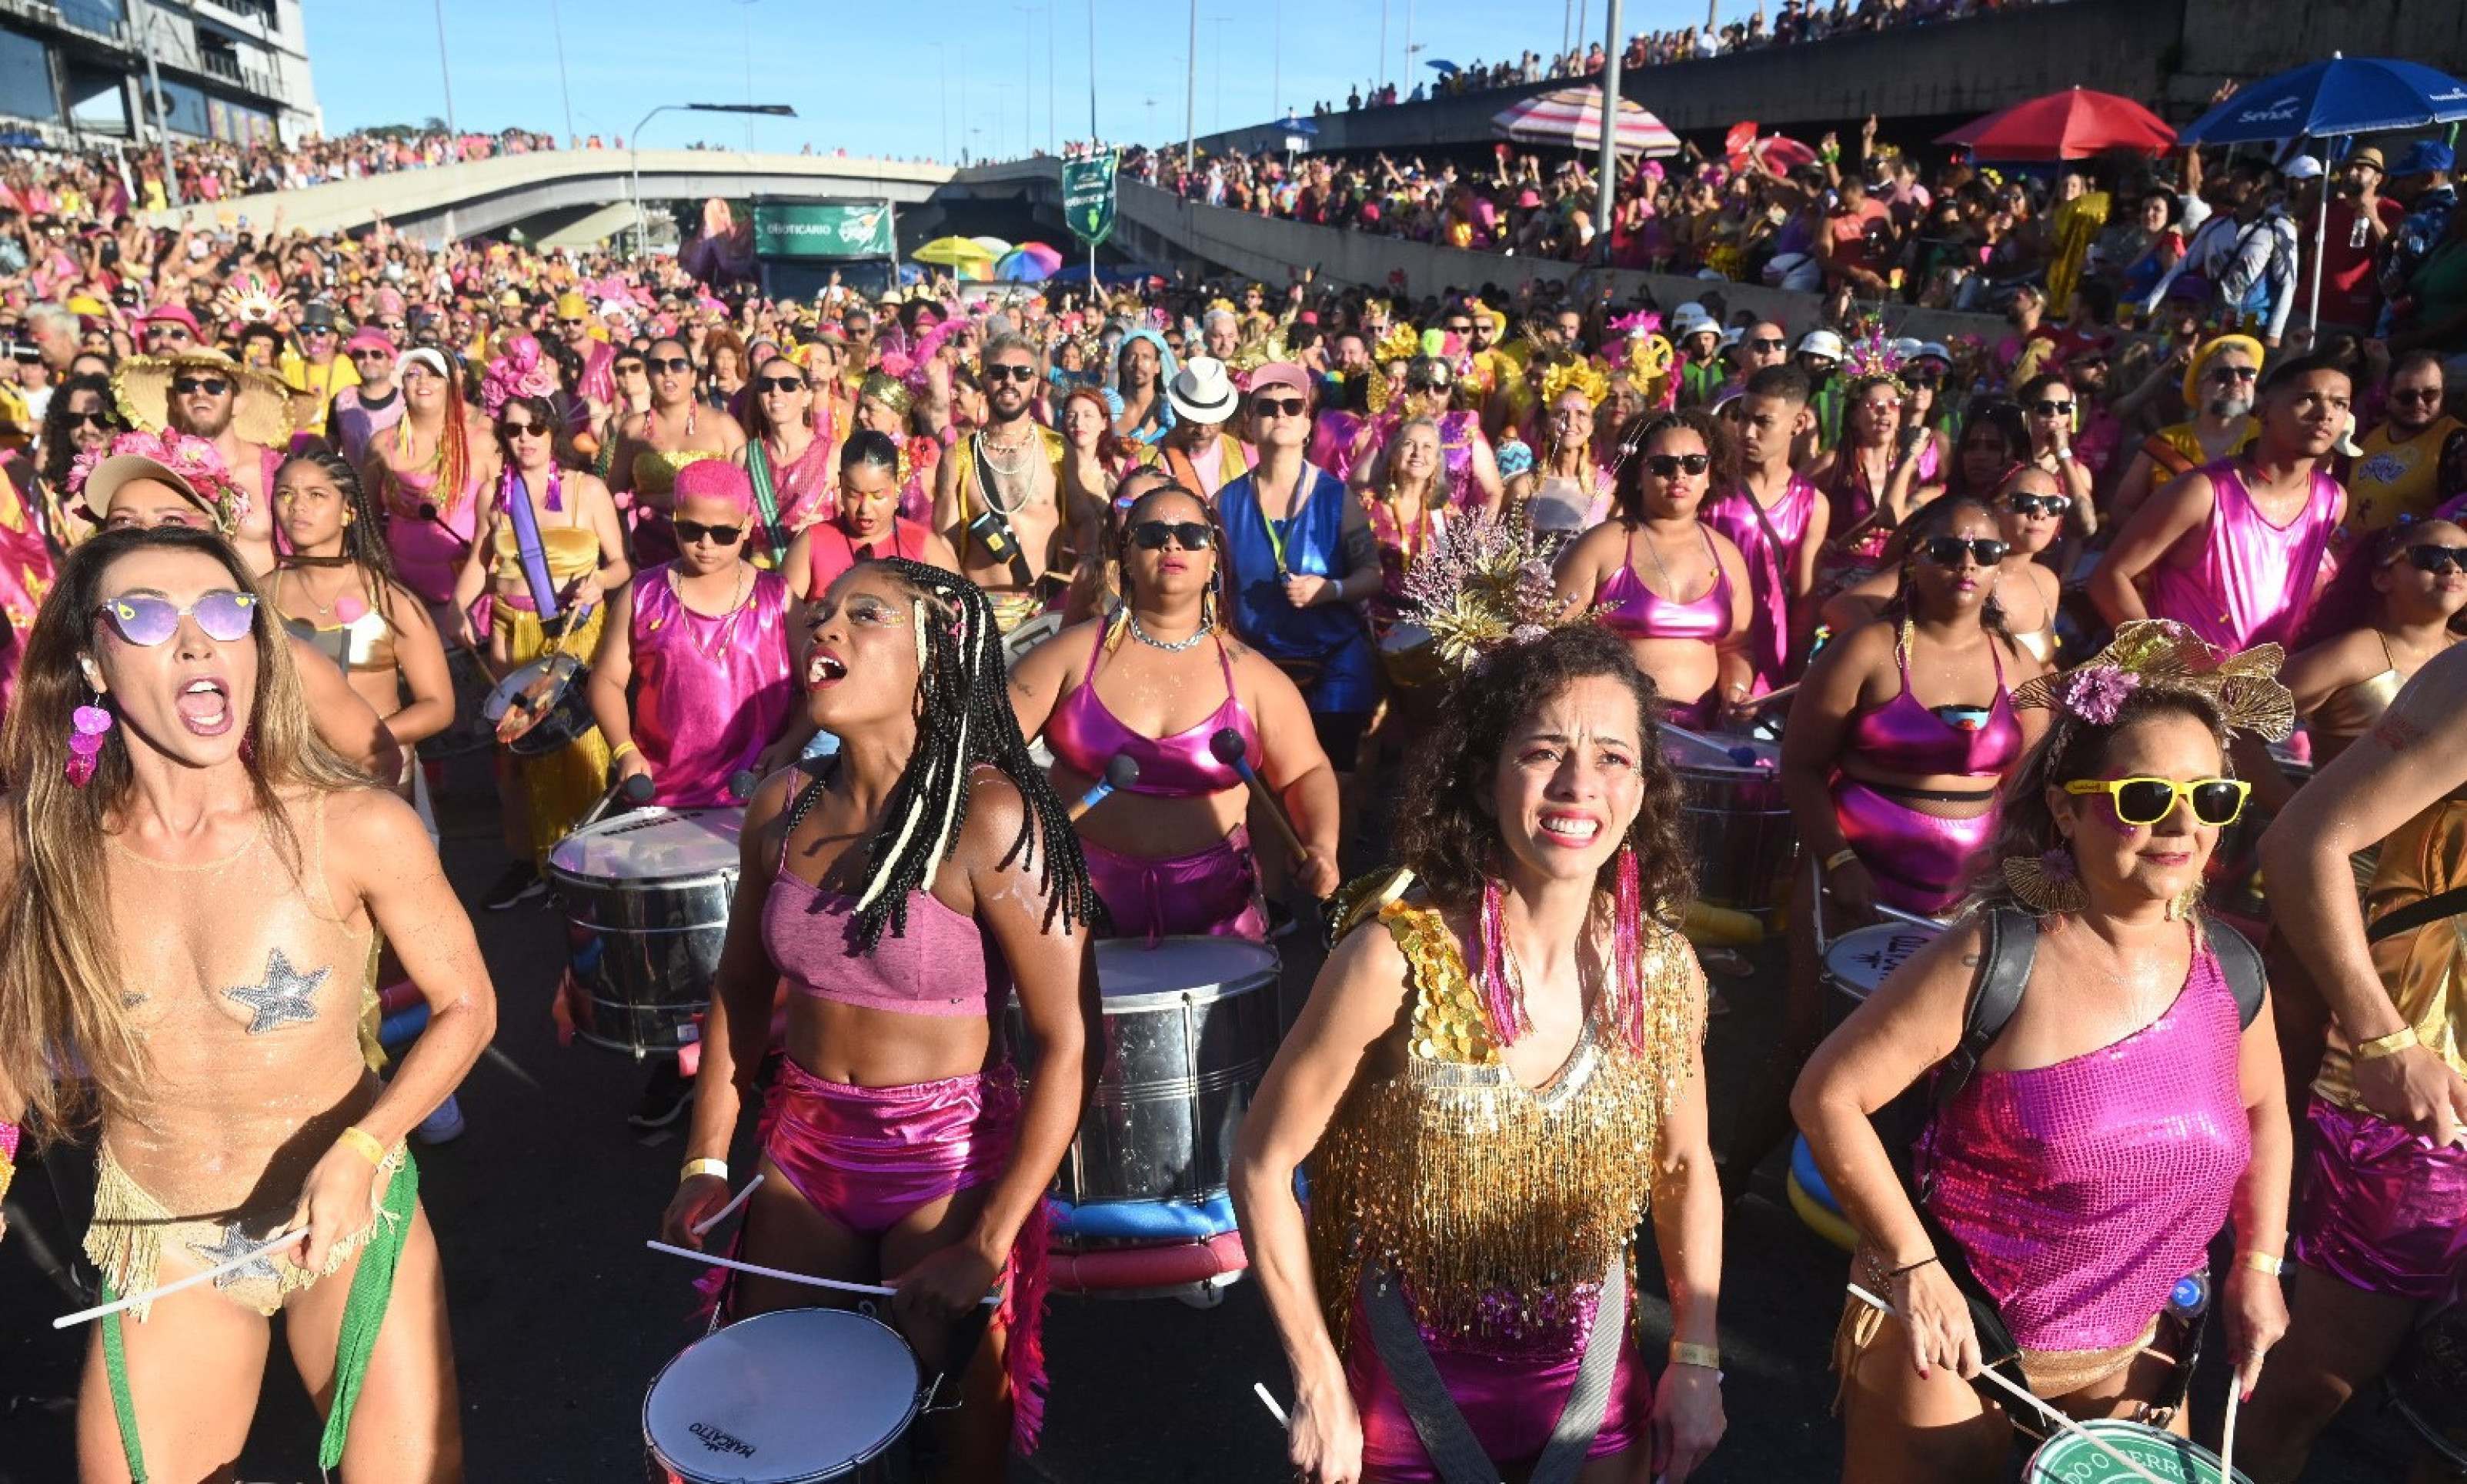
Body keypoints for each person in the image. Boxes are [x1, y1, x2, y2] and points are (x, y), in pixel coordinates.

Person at [0, 525, 496, 1482]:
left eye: (224, 611)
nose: (195, 640)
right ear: (92, 664)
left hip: (342, 1213)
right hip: (164, 1233)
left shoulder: (355, 827)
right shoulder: (43, 848)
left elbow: (467, 1005)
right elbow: (15, 1036)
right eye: (146, 615)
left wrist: (366, 1146)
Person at [1795, 622, 2294, 1482]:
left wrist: (2256, 1266)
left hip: (2141, 1352)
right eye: (2142, 797)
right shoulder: (1993, 956)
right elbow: (1826, 1096)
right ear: (2065, 807)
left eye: (2209, 798)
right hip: (1957, 1345)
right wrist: (1913, 1269)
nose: (2179, 823)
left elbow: (2265, 1114)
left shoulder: (2233, 969)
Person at [1231, 622, 1726, 1484]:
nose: (1578, 785)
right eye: (1542, 751)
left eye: (1611, 757)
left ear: (1643, 788)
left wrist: (1696, 1357)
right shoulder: (1388, 962)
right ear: (1483, 775)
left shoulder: (1664, 970)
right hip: (1405, 1398)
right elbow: (1262, 1164)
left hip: (1594, 1388)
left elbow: (1684, 1166)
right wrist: (1315, 1380)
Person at [659, 557, 1103, 1479]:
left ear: (934, 664)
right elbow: (738, 991)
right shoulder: (782, 807)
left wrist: (987, 1241)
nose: (826, 627)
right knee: (771, 1417)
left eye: (864, 615)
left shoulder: (992, 817)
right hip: (805, 1152)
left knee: (958, 1443)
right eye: (821, 612)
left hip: (946, 1163)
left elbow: (1071, 1043)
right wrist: (706, 1158)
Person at [2248, 640, 2467, 1482]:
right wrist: (2382, 1040)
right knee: (2316, 1384)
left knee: (2447, 1425)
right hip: (2424, 1109)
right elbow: (2303, 843)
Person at [1013, 479, 1340, 938]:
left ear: (1212, 561)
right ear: (1126, 555)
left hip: (1219, 916)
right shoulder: (1066, 657)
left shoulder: (1253, 676)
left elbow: (1306, 771)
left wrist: (1321, 845)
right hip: (1078, 909)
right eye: (1151, 535)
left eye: (1192, 536)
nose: (1172, 543)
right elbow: (988, 753)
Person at [76, 429, 405, 784]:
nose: (145, 536)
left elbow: (376, 757)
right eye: (123, 522)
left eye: (172, 522)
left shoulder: (280, 657)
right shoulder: (80, 656)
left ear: (221, 532)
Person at [449, 392, 632, 907]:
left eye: (535, 427)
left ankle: (589, 865)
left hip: (572, 634)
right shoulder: (495, 494)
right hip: (511, 635)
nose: (525, 438)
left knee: (580, 749)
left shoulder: (586, 490)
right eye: (513, 429)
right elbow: (480, 565)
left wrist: (599, 581)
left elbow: (622, 564)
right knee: (517, 754)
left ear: (552, 432)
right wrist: (457, 607)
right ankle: (532, 861)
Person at [2093, 354, 2350, 653]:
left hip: (2266, 690)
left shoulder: (2332, 500)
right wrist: (2165, 665)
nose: (2325, 414)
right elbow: (2108, 578)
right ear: (2264, 409)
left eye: (2340, 403)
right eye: (2308, 398)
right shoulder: (2202, 492)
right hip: (2186, 692)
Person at [588, 458, 798, 809]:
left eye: (723, 533)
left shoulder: (779, 600)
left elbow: (816, 689)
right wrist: (624, 749)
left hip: (755, 793)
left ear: (747, 527)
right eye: (691, 530)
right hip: (660, 794)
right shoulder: (641, 594)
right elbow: (607, 679)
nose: (706, 543)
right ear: (673, 522)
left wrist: (788, 746)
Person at [265, 451, 454, 815]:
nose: (297, 506)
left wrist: (368, 742)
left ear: (348, 511)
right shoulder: (261, 596)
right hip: (291, 776)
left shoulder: (391, 600)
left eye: (316, 495)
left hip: (377, 773)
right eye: (285, 494)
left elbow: (439, 706)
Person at [1217, 365, 1381, 780]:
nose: (1280, 415)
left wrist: (1331, 589)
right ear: (1250, 422)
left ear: (1308, 422)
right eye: (1267, 407)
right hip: (1258, 665)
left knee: (1334, 779)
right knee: (1262, 784)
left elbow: (1372, 574)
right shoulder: (1224, 501)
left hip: (1334, 663)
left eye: (1292, 406)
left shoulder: (1336, 496)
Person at [1554, 409, 1755, 729]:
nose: (1679, 475)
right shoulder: (1603, 545)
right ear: (1637, 474)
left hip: (1702, 742)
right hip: (1615, 733)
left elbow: (1735, 647)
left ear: (1708, 475)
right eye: (1663, 465)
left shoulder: (1728, 556)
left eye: (1693, 464)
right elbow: (1552, 637)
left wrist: (1737, 690)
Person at [1703, 365, 1827, 694]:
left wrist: (1794, 680)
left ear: (1798, 424)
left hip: (1771, 652)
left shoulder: (1811, 503)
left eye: (1763, 422)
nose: (1747, 432)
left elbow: (1804, 600)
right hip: (1705, 643)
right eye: (1743, 418)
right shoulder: (1710, 485)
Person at [113, 347, 291, 571]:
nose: (200, 394)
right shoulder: (155, 469)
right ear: (175, 401)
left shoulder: (274, 472)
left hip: (264, 602)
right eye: (187, 386)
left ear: (237, 403)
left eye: (214, 386)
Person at [936, 335, 1068, 635]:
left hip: (1042, 613)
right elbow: (945, 541)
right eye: (998, 373)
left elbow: (1086, 521)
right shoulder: (957, 457)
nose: (1010, 381)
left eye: (1022, 374)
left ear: (1035, 384)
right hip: (979, 612)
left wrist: (1083, 571)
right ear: (984, 381)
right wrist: (961, 609)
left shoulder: (1059, 451)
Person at [363, 347, 494, 627]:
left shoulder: (482, 443)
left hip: (470, 596)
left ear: (451, 383)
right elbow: (368, 520)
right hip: (404, 593)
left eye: (434, 375)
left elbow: (504, 518)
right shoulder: (381, 446)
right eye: (413, 374)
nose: (423, 382)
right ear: (401, 384)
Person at [612, 335, 746, 569]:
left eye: (677, 365)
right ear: (648, 376)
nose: (667, 373)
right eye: (657, 366)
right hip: (647, 549)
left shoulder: (723, 425)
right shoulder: (632, 430)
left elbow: (746, 497)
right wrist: (623, 555)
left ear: (693, 376)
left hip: (711, 549)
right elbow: (613, 498)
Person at [2108, 335, 2262, 528]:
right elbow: (2122, 509)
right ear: (2199, 386)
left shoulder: (2269, 439)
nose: (2236, 381)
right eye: (2223, 374)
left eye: (2247, 374)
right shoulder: (2164, 443)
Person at [787, 430, 960, 603]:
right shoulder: (812, 543)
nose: (865, 508)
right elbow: (777, 617)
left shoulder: (924, 546)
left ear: (897, 484)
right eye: (854, 494)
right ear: (841, 483)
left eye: (877, 495)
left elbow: (958, 616)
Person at [1806, 372, 1941, 594]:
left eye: (1893, 404)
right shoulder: (1834, 462)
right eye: (1872, 404)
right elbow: (1789, 498)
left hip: (1892, 580)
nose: (1884, 410)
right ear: (1853, 416)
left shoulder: (1914, 467)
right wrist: (1817, 540)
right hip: (1838, 584)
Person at [1352, 354, 1503, 515]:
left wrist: (1477, 535)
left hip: (1451, 527)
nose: (1430, 394)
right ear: (1409, 387)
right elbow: (1357, 485)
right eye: (1421, 385)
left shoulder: (1466, 429)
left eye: (1439, 387)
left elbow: (1493, 493)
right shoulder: (1390, 428)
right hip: (1397, 523)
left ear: (1450, 390)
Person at [2348, 351, 2467, 534]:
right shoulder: (2373, 436)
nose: (2419, 403)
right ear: (2387, 398)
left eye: (2430, 394)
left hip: (2408, 558)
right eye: (2406, 397)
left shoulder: (2457, 443)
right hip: (2351, 553)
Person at [739, 352, 837, 567]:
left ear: (807, 397)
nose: (775, 392)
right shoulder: (745, 457)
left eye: (788, 384)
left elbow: (858, 530)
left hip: (815, 578)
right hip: (759, 583)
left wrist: (827, 529)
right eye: (766, 384)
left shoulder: (833, 455)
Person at [1515, 365, 1617, 536]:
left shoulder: (1608, 488)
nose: (1570, 422)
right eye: (1560, 413)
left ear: (1592, 426)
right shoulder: (1524, 486)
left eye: (1581, 414)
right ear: (1547, 424)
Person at [1148, 356, 1250, 500]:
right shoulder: (1146, 461)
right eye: (1193, 421)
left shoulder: (1245, 456)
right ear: (1175, 412)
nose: (1202, 431)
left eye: (1212, 422)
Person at [325, 328, 404, 467]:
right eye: (361, 355)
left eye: (376, 355)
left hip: (397, 486)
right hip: (355, 487)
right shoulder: (341, 401)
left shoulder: (407, 402)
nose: (368, 360)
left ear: (391, 361)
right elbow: (329, 453)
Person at [1113, 328, 1176, 445]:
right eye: (1132, 357)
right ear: (1121, 364)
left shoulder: (1170, 412)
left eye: (1146, 357)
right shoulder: (1107, 409)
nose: (1138, 364)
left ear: (1157, 366)